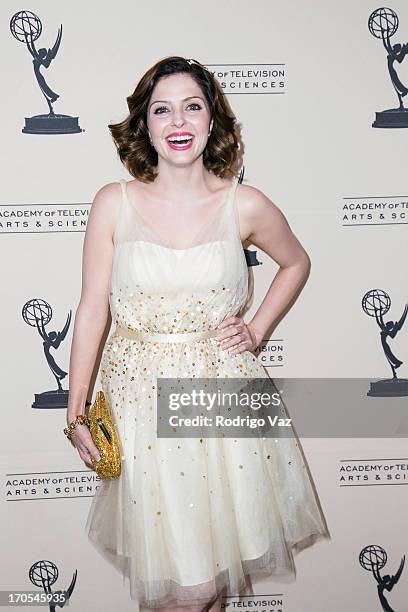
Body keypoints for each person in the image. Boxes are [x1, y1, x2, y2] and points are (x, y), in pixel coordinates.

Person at [65, 56, 330, 611]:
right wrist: (76, 411)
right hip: (139, 406)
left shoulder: (245, 203)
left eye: (193, 106)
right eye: (162, 110)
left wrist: (257, 330)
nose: (178, 121)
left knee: (205, 583)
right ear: (146, 125)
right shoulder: (113, 203)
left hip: (222, 399)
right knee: (175, 580)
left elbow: (296, 263)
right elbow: (92, 310)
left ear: (212, 121)